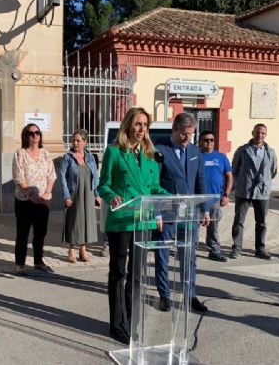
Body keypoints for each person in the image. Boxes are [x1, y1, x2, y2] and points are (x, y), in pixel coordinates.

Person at [97, 107, 168, 345]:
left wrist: (169, 197)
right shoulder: (114, 152)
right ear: (128, 125)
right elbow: (103, 185)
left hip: (143, 220)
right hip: (121, 220)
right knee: (119, 273)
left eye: (145, 125)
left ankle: (131, 319)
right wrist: (111, 196)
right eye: (137, 124)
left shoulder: (149, 154)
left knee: (137, 274)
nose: (141, 129)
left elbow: (155, 187)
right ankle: (117, 324)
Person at [154, 112, 210, 313]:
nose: (188, 138)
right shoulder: (160, 150)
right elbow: (154, 183)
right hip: (167, 213)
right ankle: (164, 295)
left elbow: (200, 181)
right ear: (174, 130)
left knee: (189, 256)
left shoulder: (195, 151)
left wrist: (204, 209)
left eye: (191, 134)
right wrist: (156, 213)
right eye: (184, 134)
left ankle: (190, 294)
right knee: (162, 255)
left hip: (189, 213)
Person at [12, 123, 56, 275]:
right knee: (22, 233)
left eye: (37, 133)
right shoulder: (20, 153)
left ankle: (38, 261)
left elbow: (51, 174)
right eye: (31, 133)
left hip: (43, 200)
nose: (35, 136)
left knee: (40, 232)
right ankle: (20, 264)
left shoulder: (45, 153)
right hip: (25, 200)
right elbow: (18, 177)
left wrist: (47, 192)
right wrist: (31, 194)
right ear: (26, 136)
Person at [230, 123, 277, 259]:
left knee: (261, 222)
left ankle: (260, 249)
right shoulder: (242, 150)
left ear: (265, 135)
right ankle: (236, 248)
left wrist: (264, 181)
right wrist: (240, 183)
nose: (260, 135)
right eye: (257, 132)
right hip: (244, 190)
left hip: (262, 191)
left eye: (263, 133)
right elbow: (235, 169)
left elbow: (273, 171)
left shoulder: (270, 151)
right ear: (252, 132)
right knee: (239, 220)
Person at [59, 129, 101, 263]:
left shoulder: (90, 157)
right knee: (73, 221)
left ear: (85, 142)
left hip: (88, 193)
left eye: (78, 140)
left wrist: (96, 194)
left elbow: (96, 177)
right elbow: (62, 177)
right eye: (74, 140)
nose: (75, 143)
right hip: (74, 193)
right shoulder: (67, 157)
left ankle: (83, 249)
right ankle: (71, 249)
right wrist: (66, 196)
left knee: (86, 221)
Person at [199, 130, 233, 262]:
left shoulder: (221, 157)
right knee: (194, 226)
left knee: (213, 227)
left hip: (214, 199)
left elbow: (229, 176)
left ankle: (214, 250)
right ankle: (190, 249)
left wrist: (226, 194)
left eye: (212, 140)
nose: (209, 142)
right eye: (206, 140)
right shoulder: (195, 155)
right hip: (197, 199)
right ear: (200, 141)